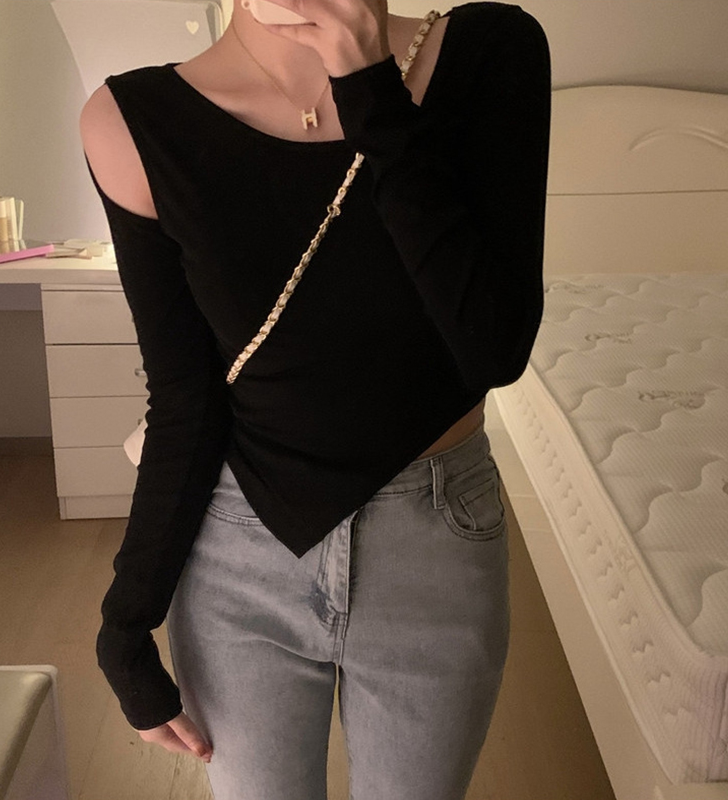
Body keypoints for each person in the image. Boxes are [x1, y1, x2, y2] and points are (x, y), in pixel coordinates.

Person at [80, 0, 550, 797]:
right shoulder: (132, 121)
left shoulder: (488, 51)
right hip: (236, 554)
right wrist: (125, 622)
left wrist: (370, 87)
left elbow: (494, 351)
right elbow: (185, 397)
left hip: (434, 541)